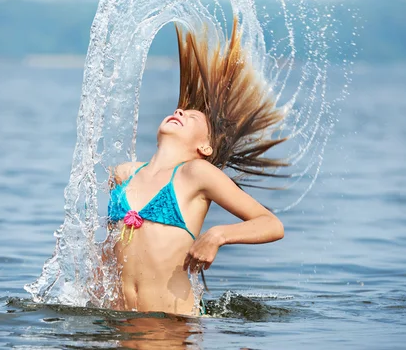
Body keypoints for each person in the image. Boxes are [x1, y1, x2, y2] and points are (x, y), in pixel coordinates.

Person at [105, 18, 286, 316]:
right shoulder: (124, 174)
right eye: (179, 110)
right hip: (119, 328)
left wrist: (218, 236)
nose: (178, 112)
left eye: (191, 117)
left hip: (174, 330)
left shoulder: (196, 174)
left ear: (205, 147)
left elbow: (271, 224)